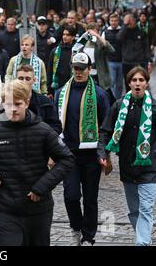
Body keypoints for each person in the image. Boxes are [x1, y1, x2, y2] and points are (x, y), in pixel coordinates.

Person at [0, 80, 75, 246]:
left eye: (17, 104)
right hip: (5, 209)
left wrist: (43, 186)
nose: (13, 109)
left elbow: (67, 159)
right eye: (9, 104)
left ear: (27, 102)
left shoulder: (43, 130)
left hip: (38, 210)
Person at [98, 66, 156, 246]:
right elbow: (105, 131)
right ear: (129, 83)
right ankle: (144, 238)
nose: (137, 84)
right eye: (134, 80)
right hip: (127, 166)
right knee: (134, 211)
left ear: (146, 83)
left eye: (141, 80)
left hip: (149, 167)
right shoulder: (119, 106)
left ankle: (142, 243)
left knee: (146, 209)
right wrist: (103, 152)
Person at [54, 52, 110, 246]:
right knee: (70, 196)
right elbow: (55, 124)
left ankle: (88, 237)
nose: (78, 72)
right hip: (68, 154)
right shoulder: (61, 93)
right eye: (75, 68)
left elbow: (105, 126)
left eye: (82, 68)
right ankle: (76, 228)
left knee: (90, 199)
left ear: (89, 69)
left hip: (91, 155)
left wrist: (103, 152)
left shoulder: (100, 95)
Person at [16, 64, 62, 134]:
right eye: (21, 78)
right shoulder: (9, 102)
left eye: (28, 79)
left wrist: (42, 136)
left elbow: (56, 126)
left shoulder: (45, 102)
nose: (24, 82)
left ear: (34, 80)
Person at [117, 14, 151, 92]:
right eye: (127, 21)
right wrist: (125, 25)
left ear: (134, 20)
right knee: (128, 84)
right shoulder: (124, 32)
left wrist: (148, 62)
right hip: (127, 62)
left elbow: (146, 48)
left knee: (141, 83)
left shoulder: (141, 32)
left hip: (140, 62)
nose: (129, 23)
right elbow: (118, 38)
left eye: (130, 20)